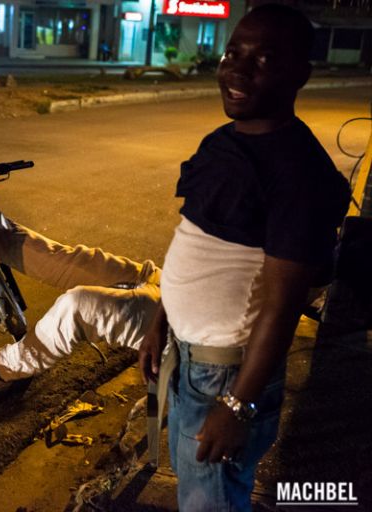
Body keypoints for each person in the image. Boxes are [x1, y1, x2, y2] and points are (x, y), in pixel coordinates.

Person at [137, 5, 350, 510]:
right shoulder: (221, 142)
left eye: (262, 60)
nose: (237, 69)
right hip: (191, 360)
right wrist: (160, 322)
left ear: (299, 74)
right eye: (234, 53)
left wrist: (238, 405)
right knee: (199, 489)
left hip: (227, 376)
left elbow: (282, 304)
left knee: (211, 498)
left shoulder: (300, 173)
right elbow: (193, 241)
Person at [0, 183, 161, 381]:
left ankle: (3, 365)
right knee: (77, 262)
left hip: (182, 325)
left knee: (77, 307)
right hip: (169, 285)